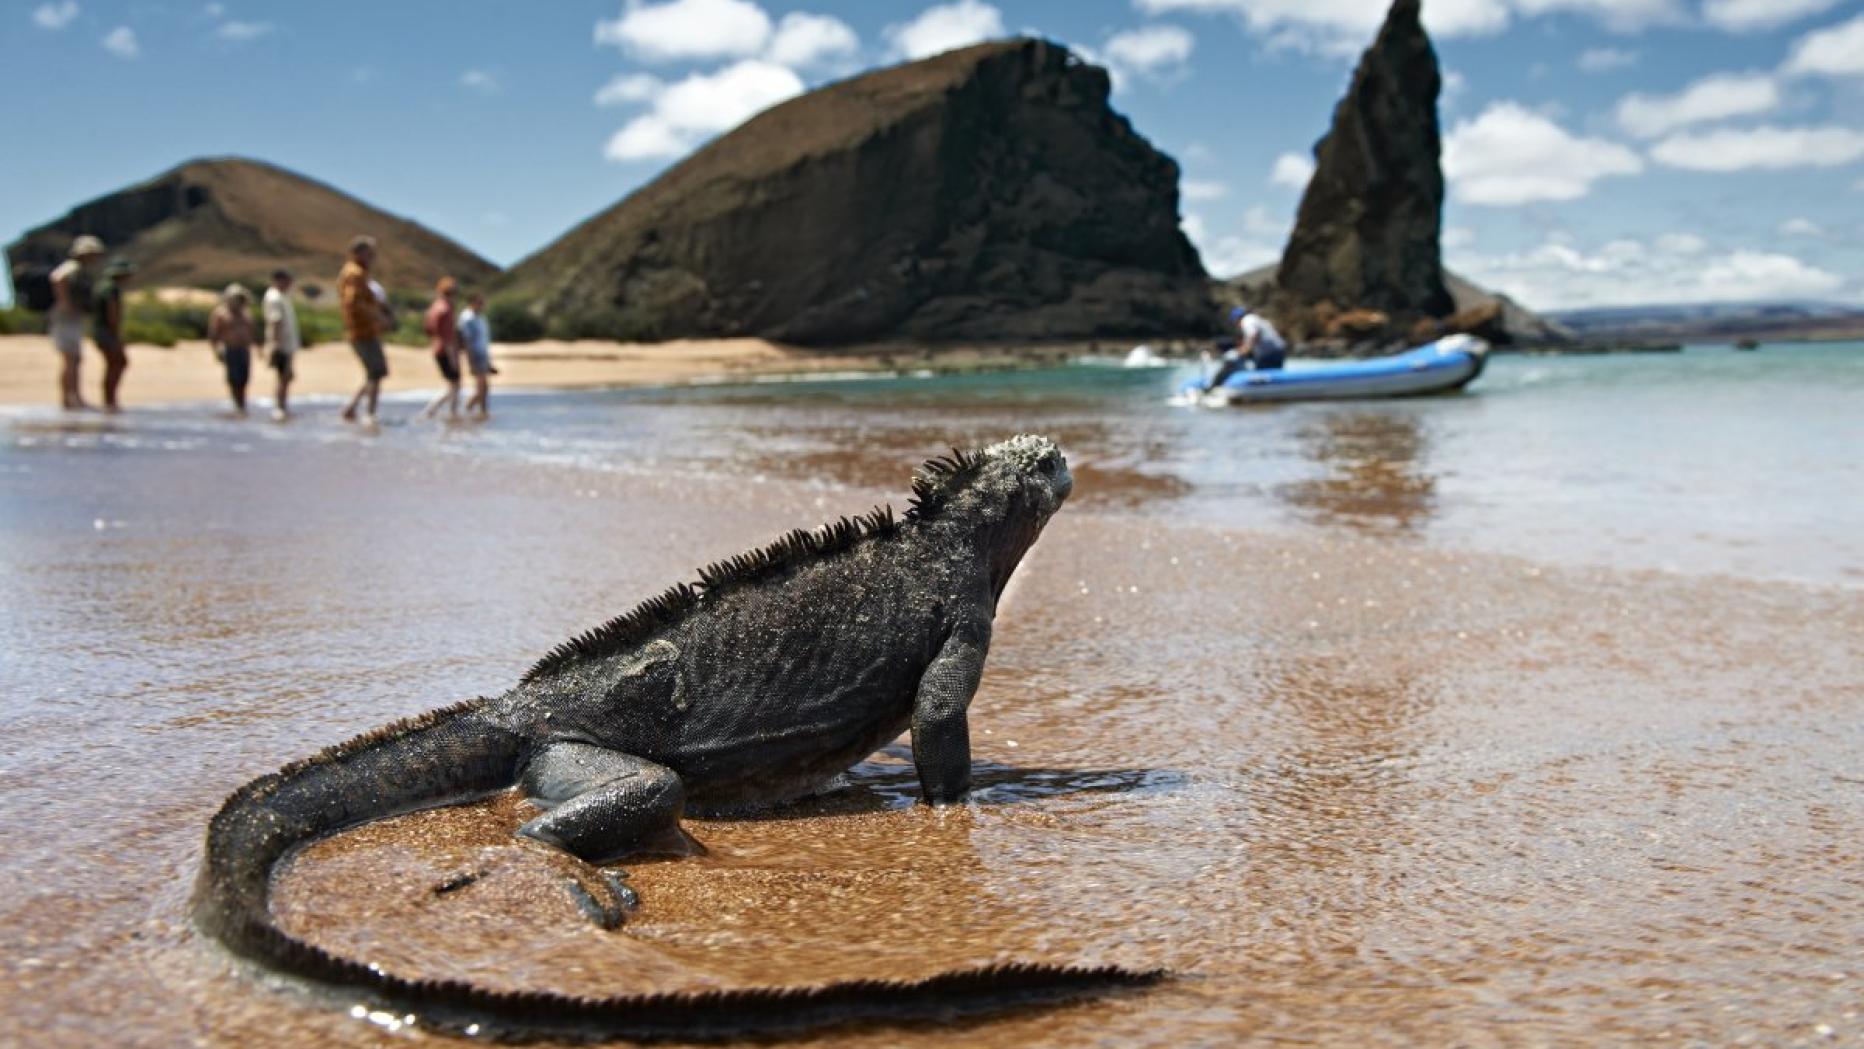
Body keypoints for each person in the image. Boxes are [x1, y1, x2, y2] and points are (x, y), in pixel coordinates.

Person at [48, 235, 105, 410]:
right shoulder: (72, 267)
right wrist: (66, 304)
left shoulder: (80, 269)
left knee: (74, 359)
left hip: (71, 317)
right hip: (65, 318)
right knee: (71, 358)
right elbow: (57, 278)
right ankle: (70, 399)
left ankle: (73, 397)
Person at [338, 235, 387, 423]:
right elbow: (353, 302)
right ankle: (369, 413)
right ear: (357, 254)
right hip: (363, 331)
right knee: (376, 371)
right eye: (369, 254)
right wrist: (377, 316)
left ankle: (355, 409)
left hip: (363, 330)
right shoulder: (355, 274)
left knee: (375, 372)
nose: (372, 258)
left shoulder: (355, 273)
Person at [1203, 304, 1288, 392]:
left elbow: (1253, 335)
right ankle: (1276, 392)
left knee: (1263, 375)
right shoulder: (1257, 319)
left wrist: (1243, 351)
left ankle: (1265, 393)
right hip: (1277, 349)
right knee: (1272, 374)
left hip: (1269, 352)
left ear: (1237, 319)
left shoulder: (1247, 321)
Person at [207, 284, 260, 416]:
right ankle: (237, 405)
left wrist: (259, 347)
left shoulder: (246, 313)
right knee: (234, 378)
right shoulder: (221, 313)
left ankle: (242, 405)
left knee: (244, 378)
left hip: (245, 349)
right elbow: (213, 334)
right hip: (231, 349)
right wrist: (216, 350)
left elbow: (253, 331)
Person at [90, 258, 135, 413]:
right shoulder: (111, 289)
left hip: (100, 331)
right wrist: (117, 334)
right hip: (107, 332)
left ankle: (110, 399)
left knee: (115, 363)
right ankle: (110, 400)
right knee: (117, 362)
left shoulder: (103, 287)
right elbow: (112, 313)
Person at [418, 277, 462, 421]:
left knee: (452, 384)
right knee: (454, 384)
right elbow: (448, 335)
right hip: (446, 350)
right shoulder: (447, 309)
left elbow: (429, 329)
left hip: (437, 348)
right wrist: (453, 358)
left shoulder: (435, 306)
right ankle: (445, 412)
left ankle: (440, 411)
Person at [262, 269, 301, 420]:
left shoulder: (283, 296)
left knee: (286, 376)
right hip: (281, 345)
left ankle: (283, 406)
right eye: (287, 281)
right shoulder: (274, 298)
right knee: (282, 376)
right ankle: (280, 407)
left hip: (287, 344)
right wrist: (274, 345)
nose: (289, 284)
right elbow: (275, 322)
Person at [458, 292, 495, 418]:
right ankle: (468, 410)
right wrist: (470, 360)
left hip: (483, 353)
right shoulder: (467, 318)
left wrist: (489, 362)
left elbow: (484, 340)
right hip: (475, 354)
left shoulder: (480, 318)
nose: (482, 305)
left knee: (485, 387)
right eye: (480, 303)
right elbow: (466, 340)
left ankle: (482, 412)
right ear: (472, 303)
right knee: (480, 387)